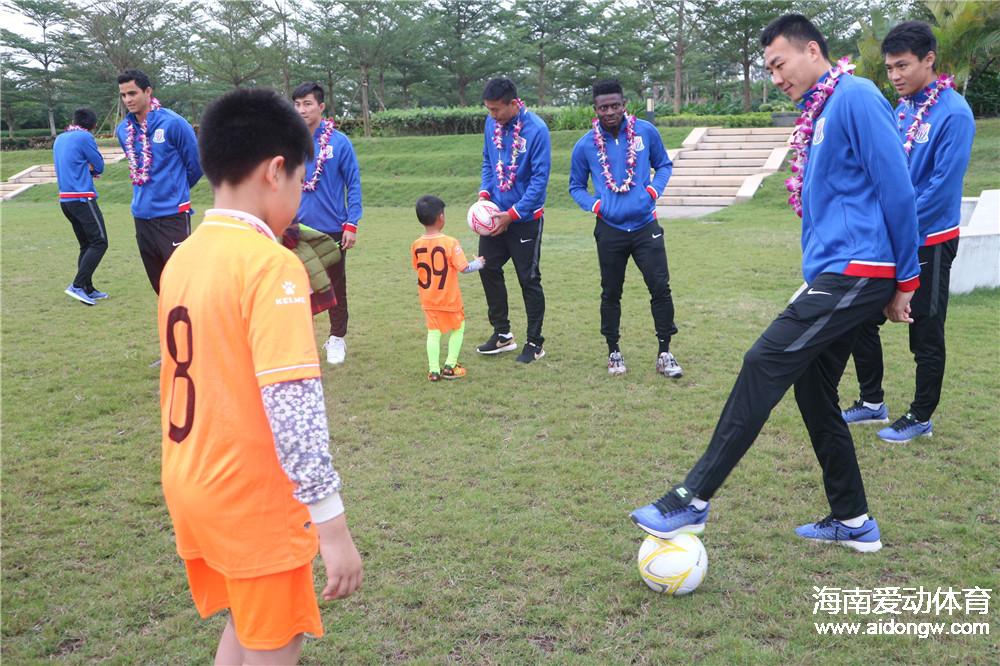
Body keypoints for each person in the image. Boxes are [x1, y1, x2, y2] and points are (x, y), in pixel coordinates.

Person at [630, 14, 921, 553]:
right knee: (812, 390)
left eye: (778, 63)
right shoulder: (822, 110)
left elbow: (898, 191)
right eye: (768, 68)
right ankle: (854, 520)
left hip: (862, 271)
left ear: (812, 51)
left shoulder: (855, 97)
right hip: (837, 273)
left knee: (763, 361)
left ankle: (692, 499)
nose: (775, 77)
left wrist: (906, 279)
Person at [157, 88, 363, 664]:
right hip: (251, 499)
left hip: (193, 484)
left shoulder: (186, 254)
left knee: (247, 627)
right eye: (301, 183)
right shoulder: (271, 264)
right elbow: (294, 409)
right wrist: (333, 527)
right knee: (276, 642)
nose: (300, 197)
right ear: (277, 171)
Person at [841, 20, 975, 443]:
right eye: (890, 68)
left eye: (903, 66)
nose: (895, 75)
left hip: (929, 241)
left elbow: (940, 189)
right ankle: (871, 401)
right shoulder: (901, 110)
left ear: (929, 60)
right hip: (887, 238)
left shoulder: (954, 113)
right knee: (860, 319)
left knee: (925, 329)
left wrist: (895, 224)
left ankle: (920, 416)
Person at [569, 79, 682, 378]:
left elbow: (664, 165)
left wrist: (653, 192)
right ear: (595, 109)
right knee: (611, 291)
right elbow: (576, 186)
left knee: (660, 287)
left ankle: (665, 352)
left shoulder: (645, 132)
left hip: (646, 226)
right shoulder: (585, 146)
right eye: (603, 107)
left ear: (624, 105)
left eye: (615, 105)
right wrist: (597, 206)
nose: (610, 112)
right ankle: (613, 351)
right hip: (610, 229)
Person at [476, 78, 551, 364]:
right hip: (495, 214)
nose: (492, 115)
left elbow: (539, 181)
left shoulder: (537, 131)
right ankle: (502, 334)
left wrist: (514, 215)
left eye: (496, 109)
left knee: (528, 278)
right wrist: (485, 194)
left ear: (513, 103)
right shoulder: (490, 124)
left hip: (524, 219)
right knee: (488, 267)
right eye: (488, 110)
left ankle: (535, 342)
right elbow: (487, 160)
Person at [292, 82, 363, 365]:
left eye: (307, 104)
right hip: (294, 229)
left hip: (332, 228)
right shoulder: (288, 142)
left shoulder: (339, 142)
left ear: (321, 107)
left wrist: (352, 224)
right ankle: (300, 339)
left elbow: (353, 185)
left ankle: (336, 338)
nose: (301, 110)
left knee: (334, 285)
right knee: (294, 286)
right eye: (297, 104)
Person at [115, 69, 202, 294]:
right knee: (160, 285)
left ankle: (193, 328)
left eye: (132, 93)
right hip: (142, 217)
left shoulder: (173, 123)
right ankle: (171, 327)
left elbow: (196, 164)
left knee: (183, 283)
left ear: (148, 91)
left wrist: (174, 190)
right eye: (123, 95)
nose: (128, 100)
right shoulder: (123, 131)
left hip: (172, 215)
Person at [411, 195, 485, 381]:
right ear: (441, 217)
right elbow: (464, 268)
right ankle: (451, 366)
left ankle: (434, 370)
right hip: (449, 299)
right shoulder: (450, 242)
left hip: (428, 299)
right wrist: (479, 263)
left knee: (433, 333)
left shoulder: (416, 245)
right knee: (458, 328)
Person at [54, 107, 107, 306]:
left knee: (86, 244)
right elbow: (99, 165)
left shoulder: (60, 138)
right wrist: (91, 169)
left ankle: (87, 288)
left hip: (65, 200)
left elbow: (69, 164)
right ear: (93, 125)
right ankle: (77, 285)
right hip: (82, 197)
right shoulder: (85, 138)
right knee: (100, 242)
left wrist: (85, 168)